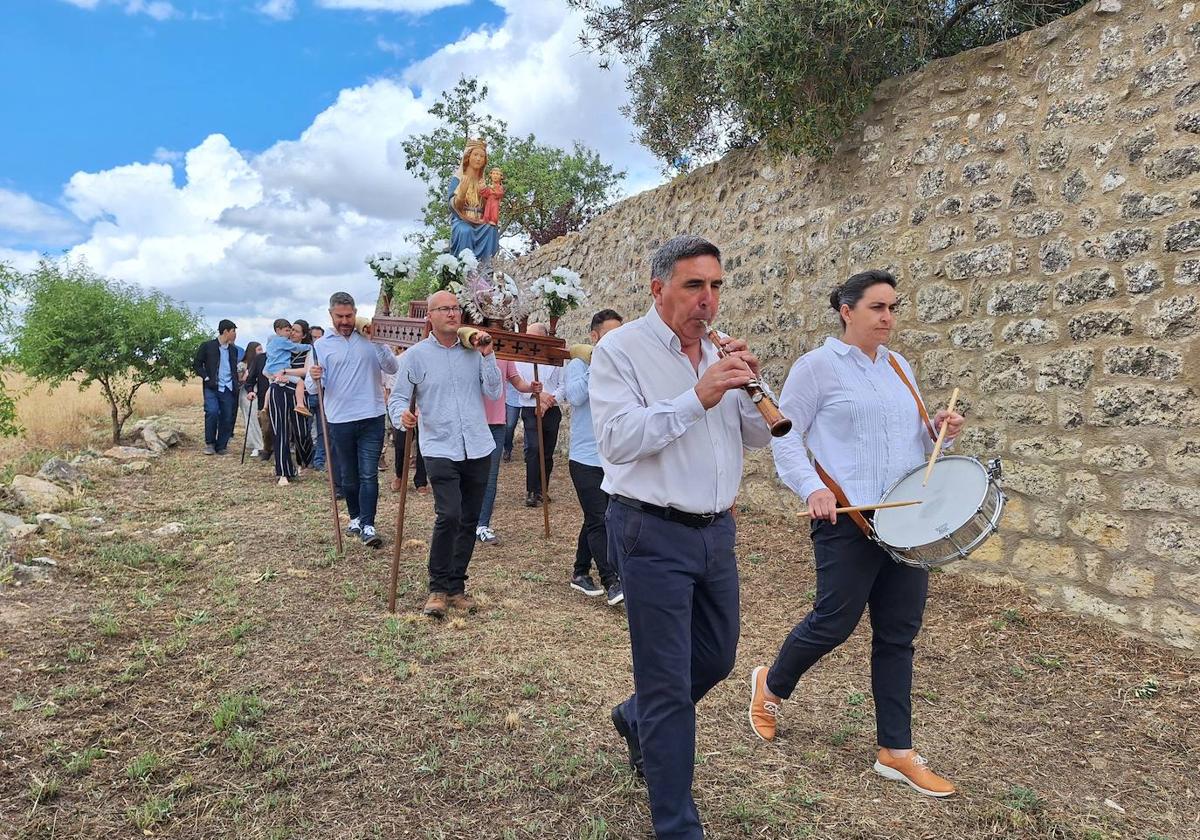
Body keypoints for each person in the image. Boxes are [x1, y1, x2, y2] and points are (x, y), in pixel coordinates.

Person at [747, 269, 965, 799]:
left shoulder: (900, 368)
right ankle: (771, 685)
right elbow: (785, 436)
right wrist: (809, 489)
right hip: (847, 517)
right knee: (833, 623)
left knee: (898, 636)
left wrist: (936, 432)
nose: (889, 317)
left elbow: (911, 442)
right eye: (878, 307)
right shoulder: (816, 368)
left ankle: (896, 749)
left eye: (893, 307)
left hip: (905, 522)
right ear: (847, 311)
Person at [589, 235, 771, 839]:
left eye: (716, 286)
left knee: (717, 656)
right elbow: (616, 439)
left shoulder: (718, 352)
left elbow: (756, 438)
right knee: (667, 682)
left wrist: (749, 386)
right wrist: (698, 394)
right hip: (651, 529)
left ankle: (636, 716)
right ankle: (676, 825)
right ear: (658, 287)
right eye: (694, 285)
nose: (708, 300)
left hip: (716, 530)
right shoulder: (620, 350)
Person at [387, 291, 500, 618]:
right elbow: (397, 399)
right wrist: (401, 417)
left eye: (456, 308)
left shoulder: (475, 351)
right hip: (439, 446)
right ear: (431, 316)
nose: (452, 313)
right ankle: (437, 588)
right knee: (448, 514)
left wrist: (489, 355)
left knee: (468, 519)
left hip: (478, 445)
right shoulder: (415, 357)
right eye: (445, 309)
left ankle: (456, 587)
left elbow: (493, 391)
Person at [307, 293, 398, 548]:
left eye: (349, 316)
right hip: (339, 419)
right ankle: (356, 517)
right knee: (348, 475)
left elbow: (392, 368)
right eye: (340, 317)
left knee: (368, 473)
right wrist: (314, 376)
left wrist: (377, 342)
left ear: (356, 312)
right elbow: (313, 389)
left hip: (372, 416)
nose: (345, 321)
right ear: (331, 315)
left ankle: (369, 524)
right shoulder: (321, 346)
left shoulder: (372, 337)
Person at [563, 309, 624, 605]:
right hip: (585, 457)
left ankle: (579, 571)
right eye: (610, 336)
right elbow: (574, 396)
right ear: (595, 337)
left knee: (598, 517)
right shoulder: (578, 364)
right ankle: (612, 580)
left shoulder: (622, 365)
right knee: (601, 519)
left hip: (614, 457)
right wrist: (594, 364)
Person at [476, 356, 542, 545]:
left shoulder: (504, 354)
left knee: (490, 477)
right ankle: (465, 520)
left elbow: (517, 381)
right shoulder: (467, 348)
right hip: (472, 423)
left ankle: (482, 525)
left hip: (496, 424)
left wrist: (531, 387)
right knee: (469, 474)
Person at [514, 323, 564, 507]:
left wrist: (548, 400)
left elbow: (563, 385)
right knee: (534, 448)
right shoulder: (520, 358)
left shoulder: (555, 357)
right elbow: (519, 383)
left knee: (547, 451)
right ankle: (531, 490)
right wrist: (537, 395)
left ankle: (543, 488)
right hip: (529, 408)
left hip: (552, 409)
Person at [265, 319, 310, 485]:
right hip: (279, 388)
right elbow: (266, 369)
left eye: (296, 331)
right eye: (290, 330)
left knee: (301, 432)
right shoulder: (279, 345)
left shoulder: (307, 351)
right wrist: (275, 376)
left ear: (304, 335)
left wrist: (285, 371)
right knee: (280, 430)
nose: (292, 333)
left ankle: (303, 462)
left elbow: (305, 371)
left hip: (297, 390)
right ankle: (283, 471)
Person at [448, 140, 499, 265]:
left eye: (482, 156)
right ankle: (464, 268)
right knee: (466, 231)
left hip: (480, 221)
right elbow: (452, 205)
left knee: (491, 229)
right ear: (468, 157)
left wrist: (489, 195)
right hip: (462, 220)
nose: (478, 159)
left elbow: (489, 206)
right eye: (475, 155)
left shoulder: (482, 182)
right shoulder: (458, 178)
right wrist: (461, 194)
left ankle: (485, 269)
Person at [193, 319, 239, 456]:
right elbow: (197, 364)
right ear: (225, 331)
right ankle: (210, 443)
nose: (235, 334)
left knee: (226, 416)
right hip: (212, 387)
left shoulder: (233, 350)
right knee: (212, 412)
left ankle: (221, 446)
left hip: (228, 387)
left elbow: (234, 369)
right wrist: (206, 377)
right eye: (233, 331)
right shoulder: (207, 346)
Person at [238, 341, 266, 458]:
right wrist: (245, 376)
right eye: (259, 349)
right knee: (251, 420)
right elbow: (239, 380)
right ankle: (257, 446)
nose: (261, 352)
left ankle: (258, 444)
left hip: (259, 393)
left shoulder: (261, 363)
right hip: (247, 394)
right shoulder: (242, 365)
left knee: (258, 420)